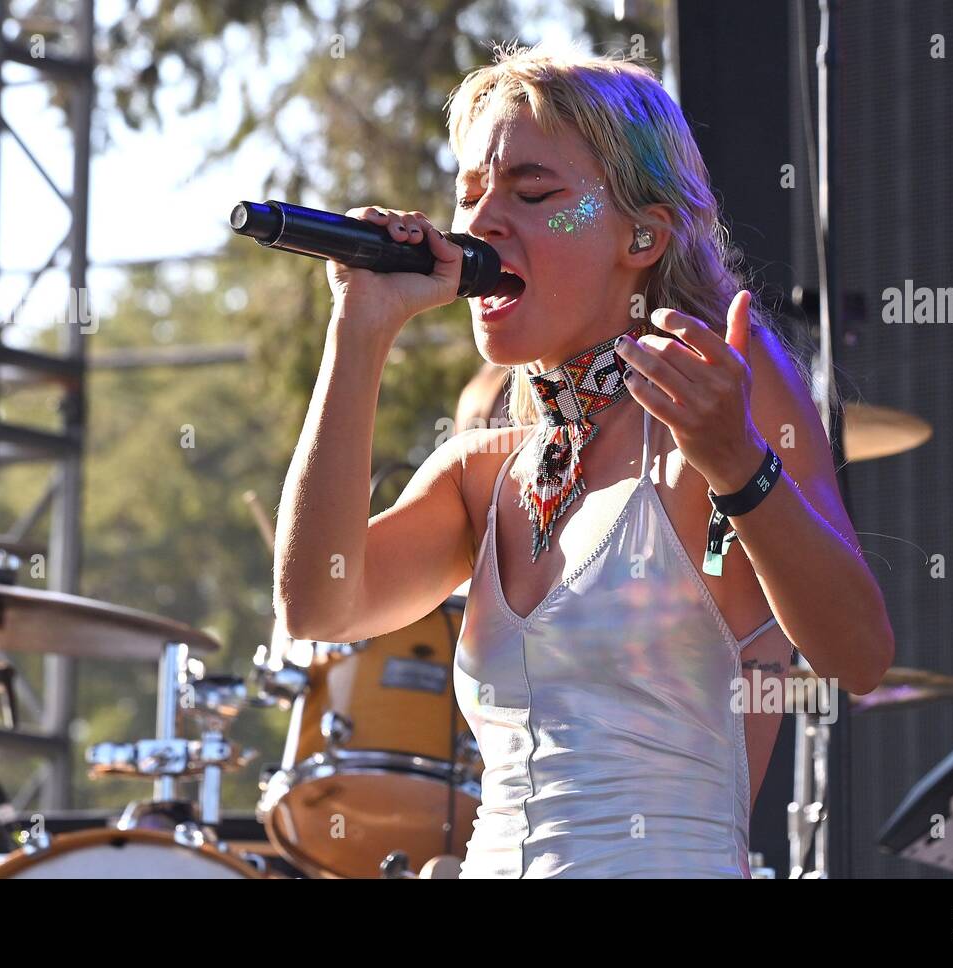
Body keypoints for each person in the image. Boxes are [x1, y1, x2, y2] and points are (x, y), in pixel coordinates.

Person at [274, 42, 894, 878]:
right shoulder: (482, 475)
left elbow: (858, 655)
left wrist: (739, 463)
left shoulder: (724, 394)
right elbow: (316, 607)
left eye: (533, 192)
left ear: (644, 233)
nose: (483, 220)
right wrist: (360, 328)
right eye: (469, 194)